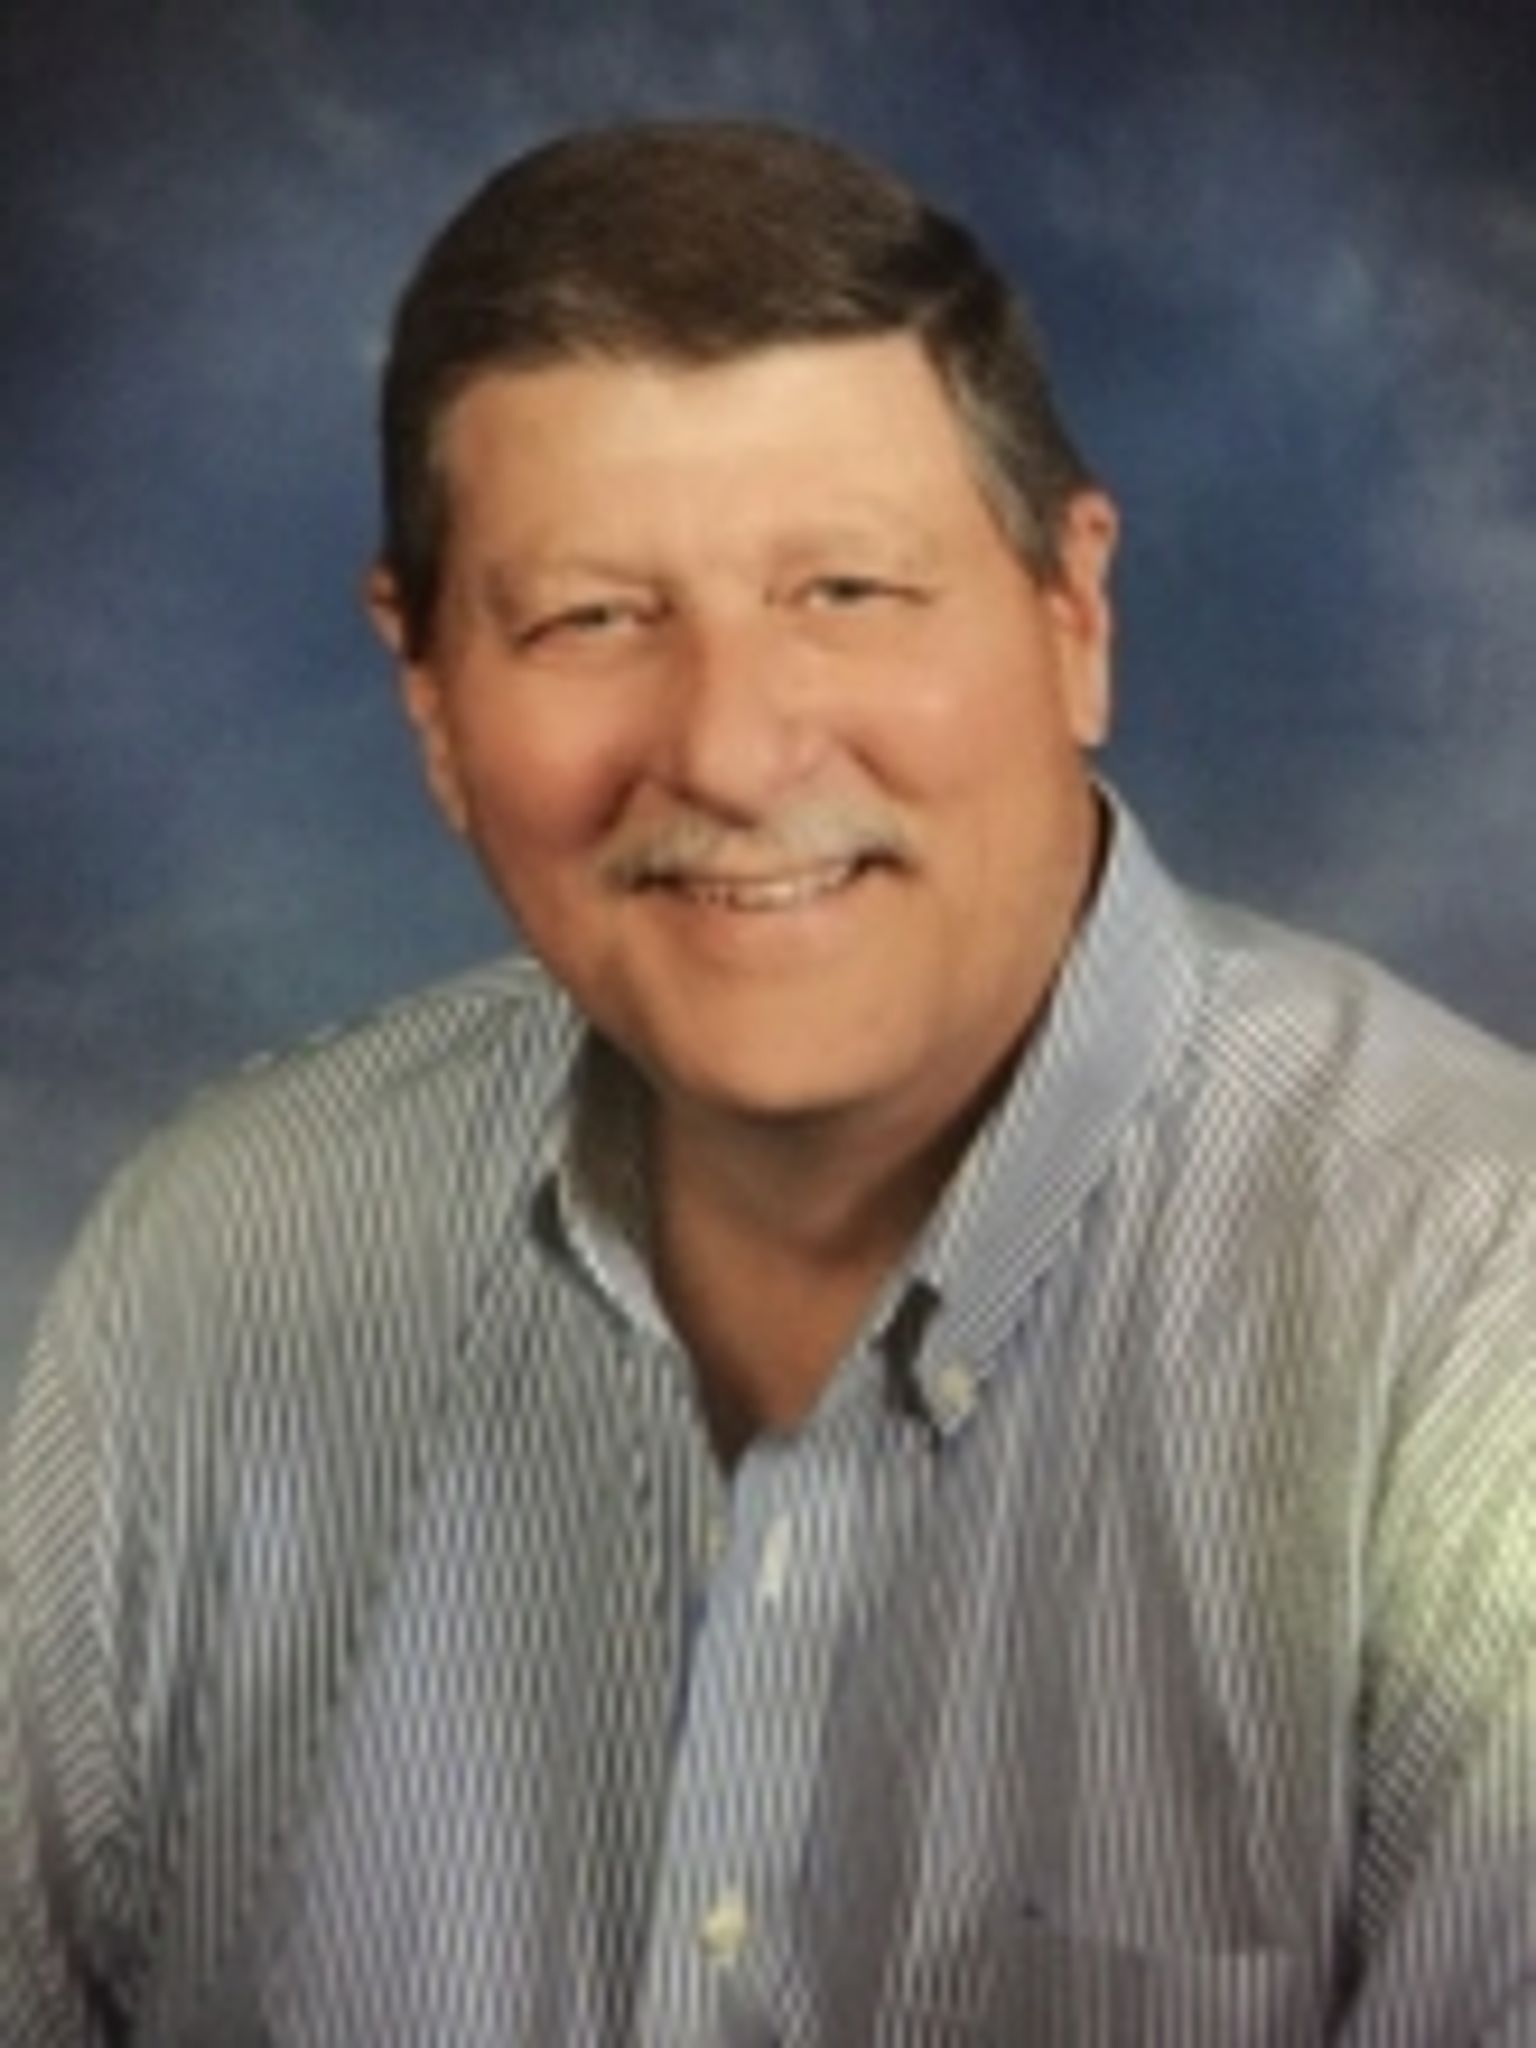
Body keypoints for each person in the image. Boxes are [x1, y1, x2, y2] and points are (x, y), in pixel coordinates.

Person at [3, 119, 1534, 2048]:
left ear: (1074, 617)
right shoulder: (217, 1268)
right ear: (434, 701)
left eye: (848, 592)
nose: (730, 749)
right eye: (591, 620)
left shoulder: (1477, 1312)